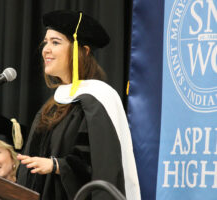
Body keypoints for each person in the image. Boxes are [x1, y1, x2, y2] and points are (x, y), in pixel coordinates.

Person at [17, 10, 141, 200]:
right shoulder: (52, 105)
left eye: (55, 42)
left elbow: (101, 165)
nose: (45, 49)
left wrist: (56, 166)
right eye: (46, 42)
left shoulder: (98, 99)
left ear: (82, 51)